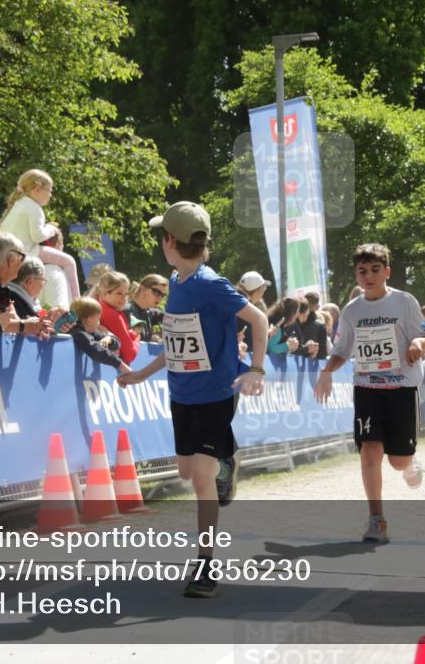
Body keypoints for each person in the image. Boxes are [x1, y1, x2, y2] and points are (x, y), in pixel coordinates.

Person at [118, 201, 268, 599]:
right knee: (186, 472)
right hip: (181, 393)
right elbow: (175, 343)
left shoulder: (210, 283)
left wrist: (255, 369)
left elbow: (259, 320)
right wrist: (141, 375)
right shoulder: (178, 284)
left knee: (199, 480)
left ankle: (205, 566)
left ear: (169, 241)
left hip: (216, 395)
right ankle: (226, 460)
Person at [314, 243, 425, 543]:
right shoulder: (352, 311)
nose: (368, 276)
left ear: (387, 272)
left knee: (397, 460)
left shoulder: (404, 302)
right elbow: (342, 349)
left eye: (375, 270)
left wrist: (418, 345)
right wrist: (327, 371)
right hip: (368, 387)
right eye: (362, 271)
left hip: (401, 388)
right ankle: (376, 520)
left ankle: (409, 462)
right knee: (369, 451)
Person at [0, 169, 80, 301]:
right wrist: (52, 228)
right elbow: (38, 236)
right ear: (37, 189)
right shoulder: (34, 208)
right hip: (27, 252)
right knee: (69, 261)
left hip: (12, 254)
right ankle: (77, 304)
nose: (51, 195)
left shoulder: (18, 204)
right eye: (50, 190)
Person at [0, 232, 49, 338]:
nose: (22, 263)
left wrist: (36, 327)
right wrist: (23, 326)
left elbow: (11, 322)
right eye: (21, 258)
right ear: (10, 260)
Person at [68, 296, 130, 373]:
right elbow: (95, 351)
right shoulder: (79, 333)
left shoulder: (91, 333)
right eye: (98, 319)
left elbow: (115, 342)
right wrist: (120, 364)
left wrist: (101, 344)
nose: (99, 323)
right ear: (89, 321)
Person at [97, 270, 140, 365]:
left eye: (126, 294)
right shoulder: (114, 316)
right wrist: (136, 337)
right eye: (119, 293)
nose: (124, 298)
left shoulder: (95, 306)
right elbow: (130, 355)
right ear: (104, 293)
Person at [38, 226, 71, 310]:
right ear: (58, 244)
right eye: (62, 245)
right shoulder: (55, 272)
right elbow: (58, 310)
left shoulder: (28, 270)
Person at [128, 273, 168, 343]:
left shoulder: (149, 312)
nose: (160, 298)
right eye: (157, 292)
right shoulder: (126, 312)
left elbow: (173, 317)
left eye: (163, 295)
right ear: (143, 289)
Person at [236, 271, 269, 349]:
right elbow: (251, 342)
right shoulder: (246, 309)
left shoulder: (233, 301)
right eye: (263, 288)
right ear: (257, 290)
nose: (264, 292)